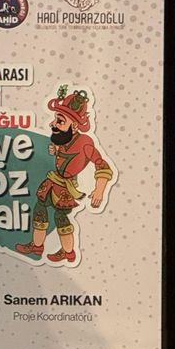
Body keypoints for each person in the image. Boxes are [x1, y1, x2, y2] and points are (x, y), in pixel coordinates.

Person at [14, 86, 113, 264]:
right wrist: (57, 150)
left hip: (65, 188)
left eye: (60, 121)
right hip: (52, 183)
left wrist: (99, 190)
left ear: (74, 126)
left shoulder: (85, 142)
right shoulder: (65, 138)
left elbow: (102, 166)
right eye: (55, 119)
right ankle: (37, 246)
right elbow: (64, 150)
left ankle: (68, 252)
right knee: (39, 210)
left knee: (61, 217)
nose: (52, 124)